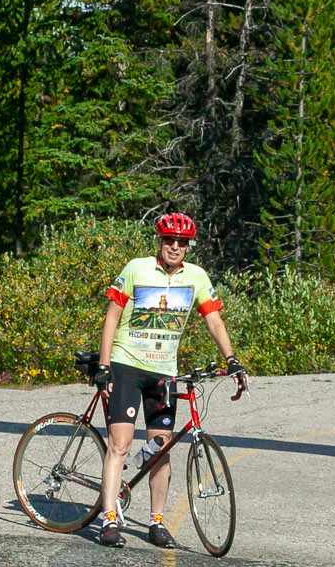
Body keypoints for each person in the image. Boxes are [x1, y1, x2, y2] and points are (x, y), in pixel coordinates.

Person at [93, 212, 240, 548]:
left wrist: (231, 360)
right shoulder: (136, 269)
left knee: (160, 449)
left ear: (188, 247)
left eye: (182, 242)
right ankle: (109, 519)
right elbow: (111, 317)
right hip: (126, 365)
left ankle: (156, 522)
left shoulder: (197, 278)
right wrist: (104, 366)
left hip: (163, 371)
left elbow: (214, 321)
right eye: (169, 240)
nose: (175, 246)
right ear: (159, 242)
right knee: (120, 445)